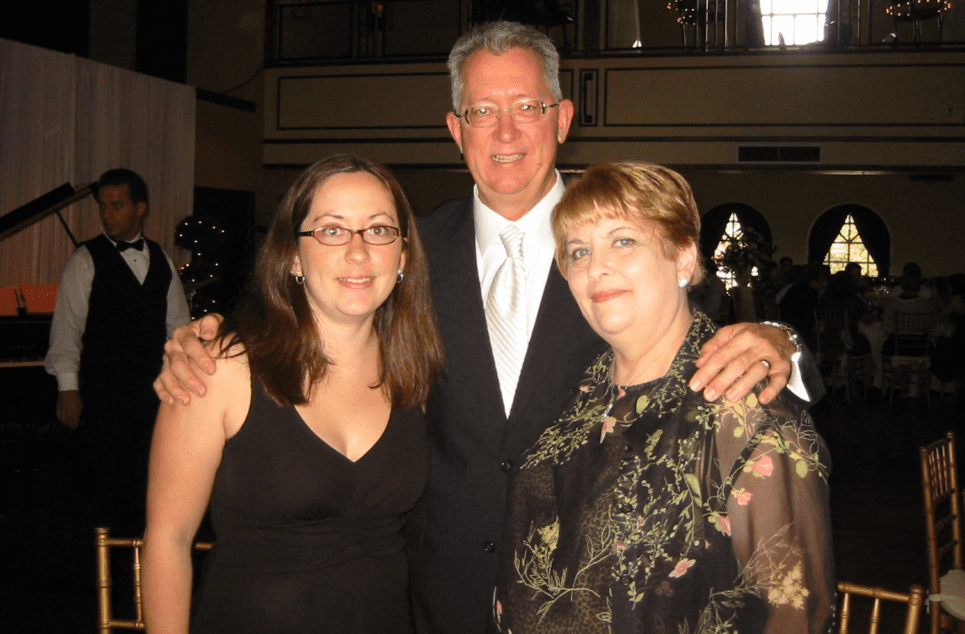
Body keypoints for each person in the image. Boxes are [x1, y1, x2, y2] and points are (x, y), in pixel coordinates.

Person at [153, 22, 823, 634]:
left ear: (561, 118)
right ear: (455, 127)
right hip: (424, 599)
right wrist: (204, 338)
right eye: (482, 112)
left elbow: (707, 339)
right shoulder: (406, 254)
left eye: (527, 108)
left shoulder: (615, 245)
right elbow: (316, 309)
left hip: (588, 599)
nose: (505, 133)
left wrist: (781, 343)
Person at [493, 162, 834, 633]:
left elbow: (795, 614)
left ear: (683, 257)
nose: (596, 267)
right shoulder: (582, 386)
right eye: (578, 251)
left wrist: (784, 339)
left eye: (623, 240)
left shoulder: (742, 412)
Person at [141, 154, 444, 634]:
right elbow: (168, 541)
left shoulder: (418, 374)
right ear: (293, 256)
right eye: (331, 230)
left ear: (403, 256)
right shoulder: (220, 367)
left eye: (380, 229)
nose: (359, 251)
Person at [45, 168, 189, 533]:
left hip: (152, 396)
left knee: (147, 484)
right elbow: (66, 330)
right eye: (103, 206)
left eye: (117, 205)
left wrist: (181, 380)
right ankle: (105, 571)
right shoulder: (85, 260)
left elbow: (178, 330)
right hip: (103, 396)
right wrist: (68, 389)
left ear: (141, 208)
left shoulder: (161, 258)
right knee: (105, 488)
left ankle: (142, 568)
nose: (107, 214)